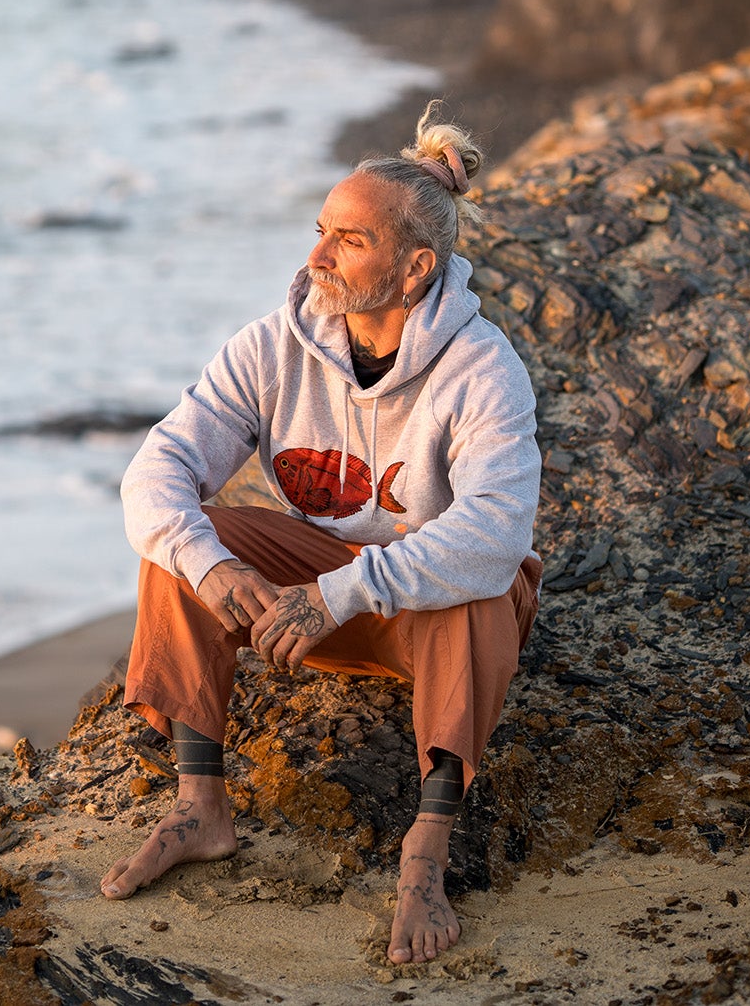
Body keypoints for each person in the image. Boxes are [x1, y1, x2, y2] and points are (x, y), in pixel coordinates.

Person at [100, 103, 543, 967]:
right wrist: (215, 568)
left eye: (349, 240)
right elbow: (153, 476)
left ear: (416, 268)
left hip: (418, 619)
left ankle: (426, 848)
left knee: (480, 585)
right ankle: (201, 808)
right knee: (185, 543)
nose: (315, 258)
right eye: (318, 231)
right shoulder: (273, 346)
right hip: (309, 606)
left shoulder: (482, 365)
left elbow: (493, 534)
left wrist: (342, 591)